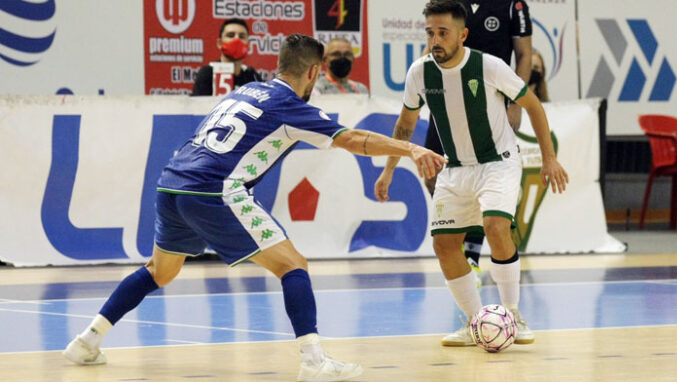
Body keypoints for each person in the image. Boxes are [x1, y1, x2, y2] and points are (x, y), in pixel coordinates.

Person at [63, 33, 445, 382]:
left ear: (279, 64)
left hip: (172, 184)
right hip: (216, 191)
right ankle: (313, 361)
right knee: (293, 264)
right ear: (314, 72)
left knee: (159, 272)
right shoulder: (290, 105)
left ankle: (88, 339)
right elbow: (356, 140)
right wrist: (411, 147)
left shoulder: (240, 93)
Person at [374, 0, 568, 347]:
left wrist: (550, 158)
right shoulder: (419, 72)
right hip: (455, 167)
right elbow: (405, 125)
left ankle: (512, 313)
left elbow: (534, 107)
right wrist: (389, 169)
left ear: (462, 35)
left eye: (443, 33)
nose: (435, 40)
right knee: (443, 244)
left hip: (498, 162)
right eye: (430, 32)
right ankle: (476, 321)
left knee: (496, 227)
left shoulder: (489, 66)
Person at [423, 0, 533, 279]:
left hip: (489, 99)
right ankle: (462, 241)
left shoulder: (512, 5)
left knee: (484, 169)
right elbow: (434, 44)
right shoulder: (449, 5)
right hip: (448, 96)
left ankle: (471, 253)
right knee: (431, 170)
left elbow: (524, 54)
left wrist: (515, 103)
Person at [192, 18, 262, 96]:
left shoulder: (252, 76)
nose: (236, 39)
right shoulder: (208, 73)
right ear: (219, 43)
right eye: (230, 35)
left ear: (248, 45)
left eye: (242, 36)